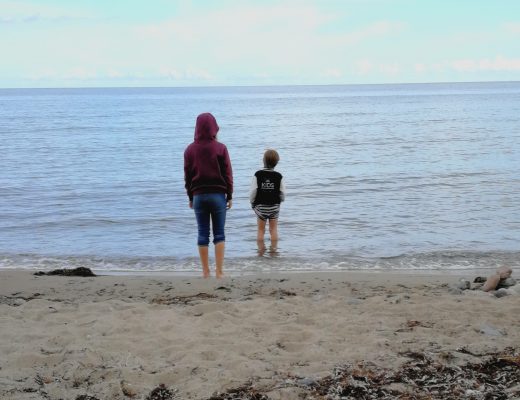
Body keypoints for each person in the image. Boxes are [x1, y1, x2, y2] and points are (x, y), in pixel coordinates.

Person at [184, 113, 233, 278]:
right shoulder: (221, 148)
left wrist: (191, 197)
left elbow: (188, 176)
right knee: (219, 233)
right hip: (218, 195)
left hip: (199, 196)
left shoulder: (190, 149)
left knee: (202, 233)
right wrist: (230, 195)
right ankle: (219, 272)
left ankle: (205, 272)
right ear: (214, 128)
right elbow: (228, 174)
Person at [249, 149, 285, 254]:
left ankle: (261, 252)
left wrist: (252, 203)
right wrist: (280, 201)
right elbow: (282, 193)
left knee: (261, 230)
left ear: (263, 160)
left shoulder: (258, 174)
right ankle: (273, 251)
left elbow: (253, 192)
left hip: (261, 207)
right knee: (273, 230)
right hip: (274, 206)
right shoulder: (279, 176)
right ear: (276, 162)